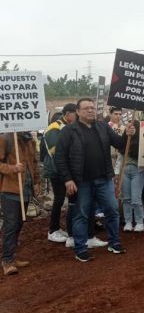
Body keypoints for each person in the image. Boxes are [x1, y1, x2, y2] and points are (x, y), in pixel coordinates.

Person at [55, 98, 133, 262]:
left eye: (92, 108)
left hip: (103, 179)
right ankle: (80, 249)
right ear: (77, 111)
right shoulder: (68, 131)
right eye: (86, 108)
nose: (90, 110)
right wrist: (68, 179)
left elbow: (119, 143)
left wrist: (127, 134)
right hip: (81, 181)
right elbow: (60, 158)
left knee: (112, 210)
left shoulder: (103, 127)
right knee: (81, 214)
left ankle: (114, 242)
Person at [0, 132, 40, 275]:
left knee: (18, 224)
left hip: (26, 189)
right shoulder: (5, 139)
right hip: (10, 189)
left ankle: (11, 255)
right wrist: (12, 168)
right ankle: (7, 260)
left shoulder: (30, 140)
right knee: (11, 224)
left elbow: (34, 163)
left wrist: (36, 181)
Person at [43, 103, 77, 243]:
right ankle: (52, 230)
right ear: (68, 114)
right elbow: (56, 151)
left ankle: (57, 228)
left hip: (64, 170)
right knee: (59, 199)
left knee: (65, 199)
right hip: (56, 170)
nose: (77, 116)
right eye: (76, 113)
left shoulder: (67, 127)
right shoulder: (55, 127)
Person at [119, 120, 144, 232]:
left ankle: (139, 222)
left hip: (137, 170)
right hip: (124, 170)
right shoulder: (125, 137)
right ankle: (128, 221)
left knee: (136, 198)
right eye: (129, 125)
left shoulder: (142, 140)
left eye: (133, 126)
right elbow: (121, 150)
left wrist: (134, 137)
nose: (131, 127)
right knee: (126, 198)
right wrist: (127, 135)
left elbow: (138, 152)